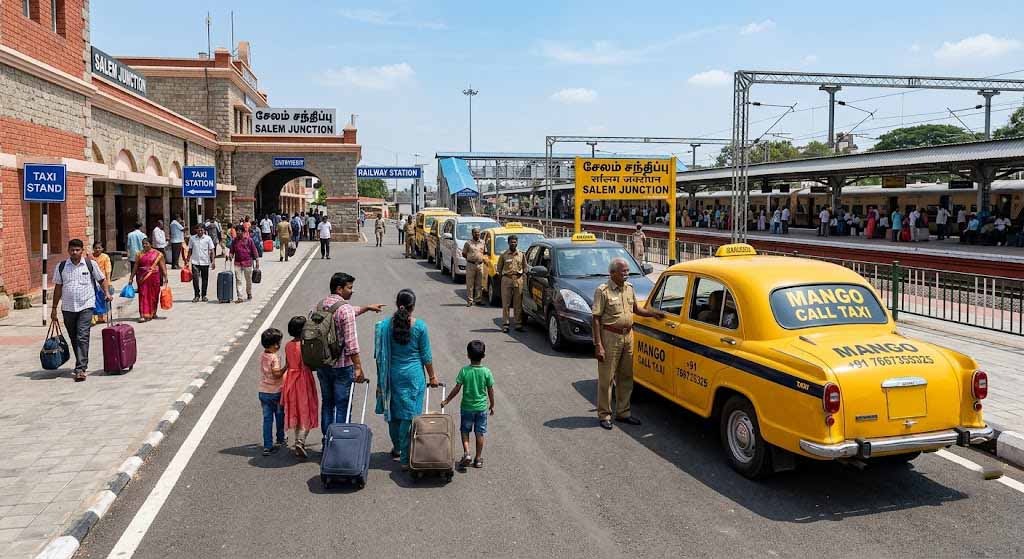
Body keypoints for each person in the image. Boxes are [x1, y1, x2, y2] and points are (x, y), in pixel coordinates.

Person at [591, 258, 665, 430]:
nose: (626, 274)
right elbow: (595, 318)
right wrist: (598, 345)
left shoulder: (629, 288)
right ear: (612, 273)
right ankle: (604, 414)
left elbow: (637, 310)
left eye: (627, 271)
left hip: (628, 336)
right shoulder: (602, 291)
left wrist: (654, 314)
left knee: (626, 376)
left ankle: (623, 412)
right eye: (623, 271)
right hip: (610, 337)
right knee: (607, 378)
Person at [373, 289, 438, 470]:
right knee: (409, 416)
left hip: (391, 376)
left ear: (397, 304)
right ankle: (404, 458)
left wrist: (380, 382)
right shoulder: (420, 327)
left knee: (394, 415)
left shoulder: (384, 326)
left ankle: (397, 447)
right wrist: (432, 377)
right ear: (413, 306)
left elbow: (379, 357)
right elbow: (426, 356)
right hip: (413, 377)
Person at [316, 272, 384, 443]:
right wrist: (358, 367)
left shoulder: (322, 304)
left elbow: (347, 312)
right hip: (342, 366)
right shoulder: (344, 309)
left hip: (323, 363)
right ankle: (338, 442)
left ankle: (327, 439)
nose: (352, 291)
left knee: (327, 403)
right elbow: (351, 344)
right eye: (349, 287)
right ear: (339, 289)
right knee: (342, 404)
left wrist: (367, 307)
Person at [51, 239, 111, 381]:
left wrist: (107, 293)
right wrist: (53, 308)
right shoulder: (62, 267)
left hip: (86, 305)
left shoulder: (90, 265)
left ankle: (81, 368)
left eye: (77, 250)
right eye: (72, 250)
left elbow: (101, 280)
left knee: (82, 335)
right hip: (68, 308)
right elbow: (58, 288)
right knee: (73, 337)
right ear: (68, 250)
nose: (75, 252)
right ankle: (81, 361)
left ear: (82, 251)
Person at [441, 340, 494, 470]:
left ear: (468, 355)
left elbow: (457, 388)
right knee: (479, 433)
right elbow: (490, 390)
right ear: (484, 356)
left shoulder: (464, 371)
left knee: (465, 431)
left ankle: (467, 453)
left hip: (467, 408)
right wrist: (492, 404)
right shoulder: (486, 372)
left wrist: (447, 400)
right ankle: (478, 459)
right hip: (481, 408)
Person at [282, 317, 319, 459]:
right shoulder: (305, 345)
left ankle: (298, 439)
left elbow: (288, 363)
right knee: (307, 410)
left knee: (296, 410)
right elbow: (310, 363)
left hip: (291, 380)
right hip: (304, 379)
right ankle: (300, 440)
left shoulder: (288, 345)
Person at [257, 328, 286, 456]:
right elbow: (276, 374)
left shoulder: (262, 355)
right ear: (275, 344)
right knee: (279, 416)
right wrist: (286, 367)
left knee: (267, 419)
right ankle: (280, 439)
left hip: (263, 391)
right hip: (276, 392)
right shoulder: (274, 357)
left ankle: (267, 445)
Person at [128, 237, 167, 322]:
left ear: (151, 244)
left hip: (154, 278)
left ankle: (153, 312)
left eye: (146, 243)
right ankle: (143, 314)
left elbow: (163, 266)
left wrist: (165, 277)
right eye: (143, 244)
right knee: (143, 295)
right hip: (142, 278)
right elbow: (135, 267)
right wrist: (131, 278)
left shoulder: (158, 254)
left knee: (154, 295)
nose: (145, 245)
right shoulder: (139, 254)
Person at [496, 234, 526, 333]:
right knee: (506, 303)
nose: (513, 243)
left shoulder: (521, 254)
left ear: (517, 243)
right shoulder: (503, 255)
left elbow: (525, 268)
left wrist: (521, 276)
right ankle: (506, 324)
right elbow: (499, 270)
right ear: (508, 243)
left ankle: (518, 323)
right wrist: (505, 279)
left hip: (518, 280)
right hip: (507, 280)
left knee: (518, 303)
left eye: (515, 242)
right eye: (511, 242)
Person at [229, 227, 260, 303]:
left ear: (243, 232)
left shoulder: (249, 240)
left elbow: (254, 250)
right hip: (237, 263)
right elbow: (231, 251)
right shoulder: (234, 241)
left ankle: (249, 292)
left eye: (240, 231)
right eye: (237, 231)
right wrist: (230, 255)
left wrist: (257, 261)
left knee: (248, 280)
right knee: (238, 280)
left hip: (247, 262)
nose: (238, 233)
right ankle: (240, 297)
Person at [188, 224, 215, 302]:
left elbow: (212, 250)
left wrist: (213, 261)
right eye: (198, 230)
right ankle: (196, 295)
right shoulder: (192, 238)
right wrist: (187, 260)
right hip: (195, 262)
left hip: (205, 261)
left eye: (202, 230)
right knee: (195, 279)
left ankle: (204, 295)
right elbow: (190, 250)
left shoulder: (208, 238)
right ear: (196, 230)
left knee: (205, 279)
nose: (200, 231)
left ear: (204, 230)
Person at [90, 241, 113, 325]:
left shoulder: (105, 257)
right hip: (92, 281)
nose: (97, 249)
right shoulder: (90, 257)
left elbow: (107, 270)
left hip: (102, 281)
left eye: (99, 248)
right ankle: (93, 318)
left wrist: (108, 281)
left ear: (103, 249)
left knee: (102, 299)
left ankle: (102, 317)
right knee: (94, 300)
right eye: (96, 248)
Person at [463, 227, 486, 306]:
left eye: (478, 232)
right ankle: (470, 301)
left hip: (480, 265)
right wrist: (470, 259)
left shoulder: (483, 242)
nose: (477, 234)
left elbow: (484, 253)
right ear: (472, 234)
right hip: (471, 265)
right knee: (470, 284)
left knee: (479, 284)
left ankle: (478, 300)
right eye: (475, 233)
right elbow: (464, 253)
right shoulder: (468, 243)